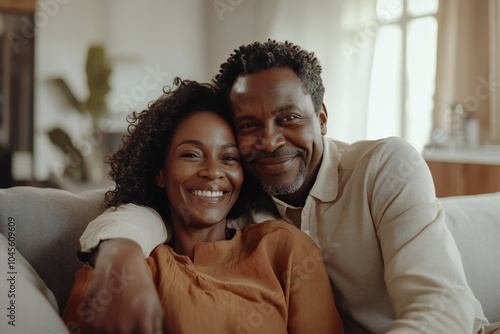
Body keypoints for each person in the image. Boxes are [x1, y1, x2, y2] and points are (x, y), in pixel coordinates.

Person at [79, 40, 494, 333]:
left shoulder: (384, 167)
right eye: (249, 126)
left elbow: (440, 306)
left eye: (289, 119)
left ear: (323, 117)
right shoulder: (242, 199)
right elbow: (146, 212)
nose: (271, 141)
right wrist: (120, 254)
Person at [61, 78, 343, 334]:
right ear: (159, 172)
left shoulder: (285, 250)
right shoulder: (127, 265)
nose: (212, 171)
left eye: (229, 158)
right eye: (192, 154)